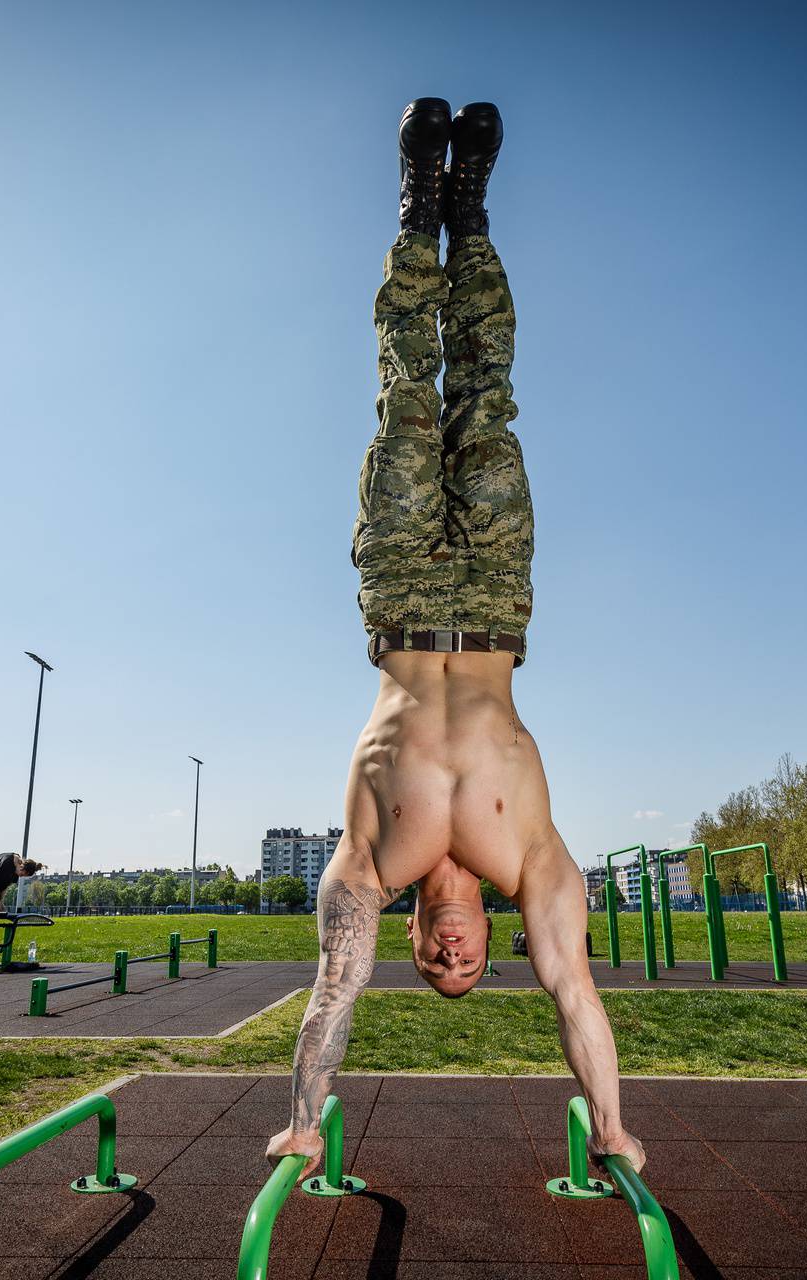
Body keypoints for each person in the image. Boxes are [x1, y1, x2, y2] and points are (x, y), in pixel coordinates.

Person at [264, 98, 643, 1180]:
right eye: (464, 968)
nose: (448, 958)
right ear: (487, 948)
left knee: (405, 400)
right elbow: (575, 988)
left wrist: (305, 1109)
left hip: (395, 590)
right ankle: (469, 217)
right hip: (496, 593)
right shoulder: (534, 862)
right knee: (486, 397)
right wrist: (609, 1122)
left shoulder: (368, 868)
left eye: (434, 968)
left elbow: (333, 988)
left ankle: (413, 207)